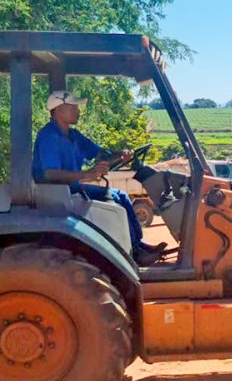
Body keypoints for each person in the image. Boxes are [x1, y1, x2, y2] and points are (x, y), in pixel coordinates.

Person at [32, 90, 165, 266]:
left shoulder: (74, 136)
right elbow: (50, 174)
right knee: (113, 200)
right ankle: (133, 252)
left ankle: (137, 246)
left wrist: (120, 155)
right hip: (56, 193)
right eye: (74, 107)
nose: (78, 111)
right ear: (58, 109)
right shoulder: (48, 136)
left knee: (122, 196)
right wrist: (88, 174)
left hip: (71, 189)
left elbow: (100, 153)